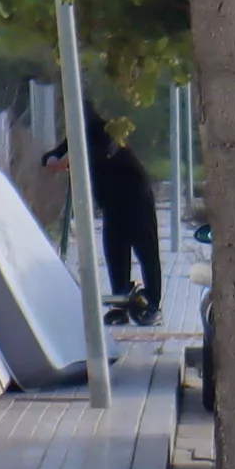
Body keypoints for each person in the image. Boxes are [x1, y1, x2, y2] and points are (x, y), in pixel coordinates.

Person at [47, 108, 162, 324]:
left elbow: (105, 150)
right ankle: (120, 305)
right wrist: (53, 159)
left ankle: (153, 304)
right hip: (111, 203)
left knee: (146, 250)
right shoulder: (76, 136)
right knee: (115, 252)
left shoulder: (107, 131)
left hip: (135, 197)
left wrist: (75, 157)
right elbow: (54, 154)